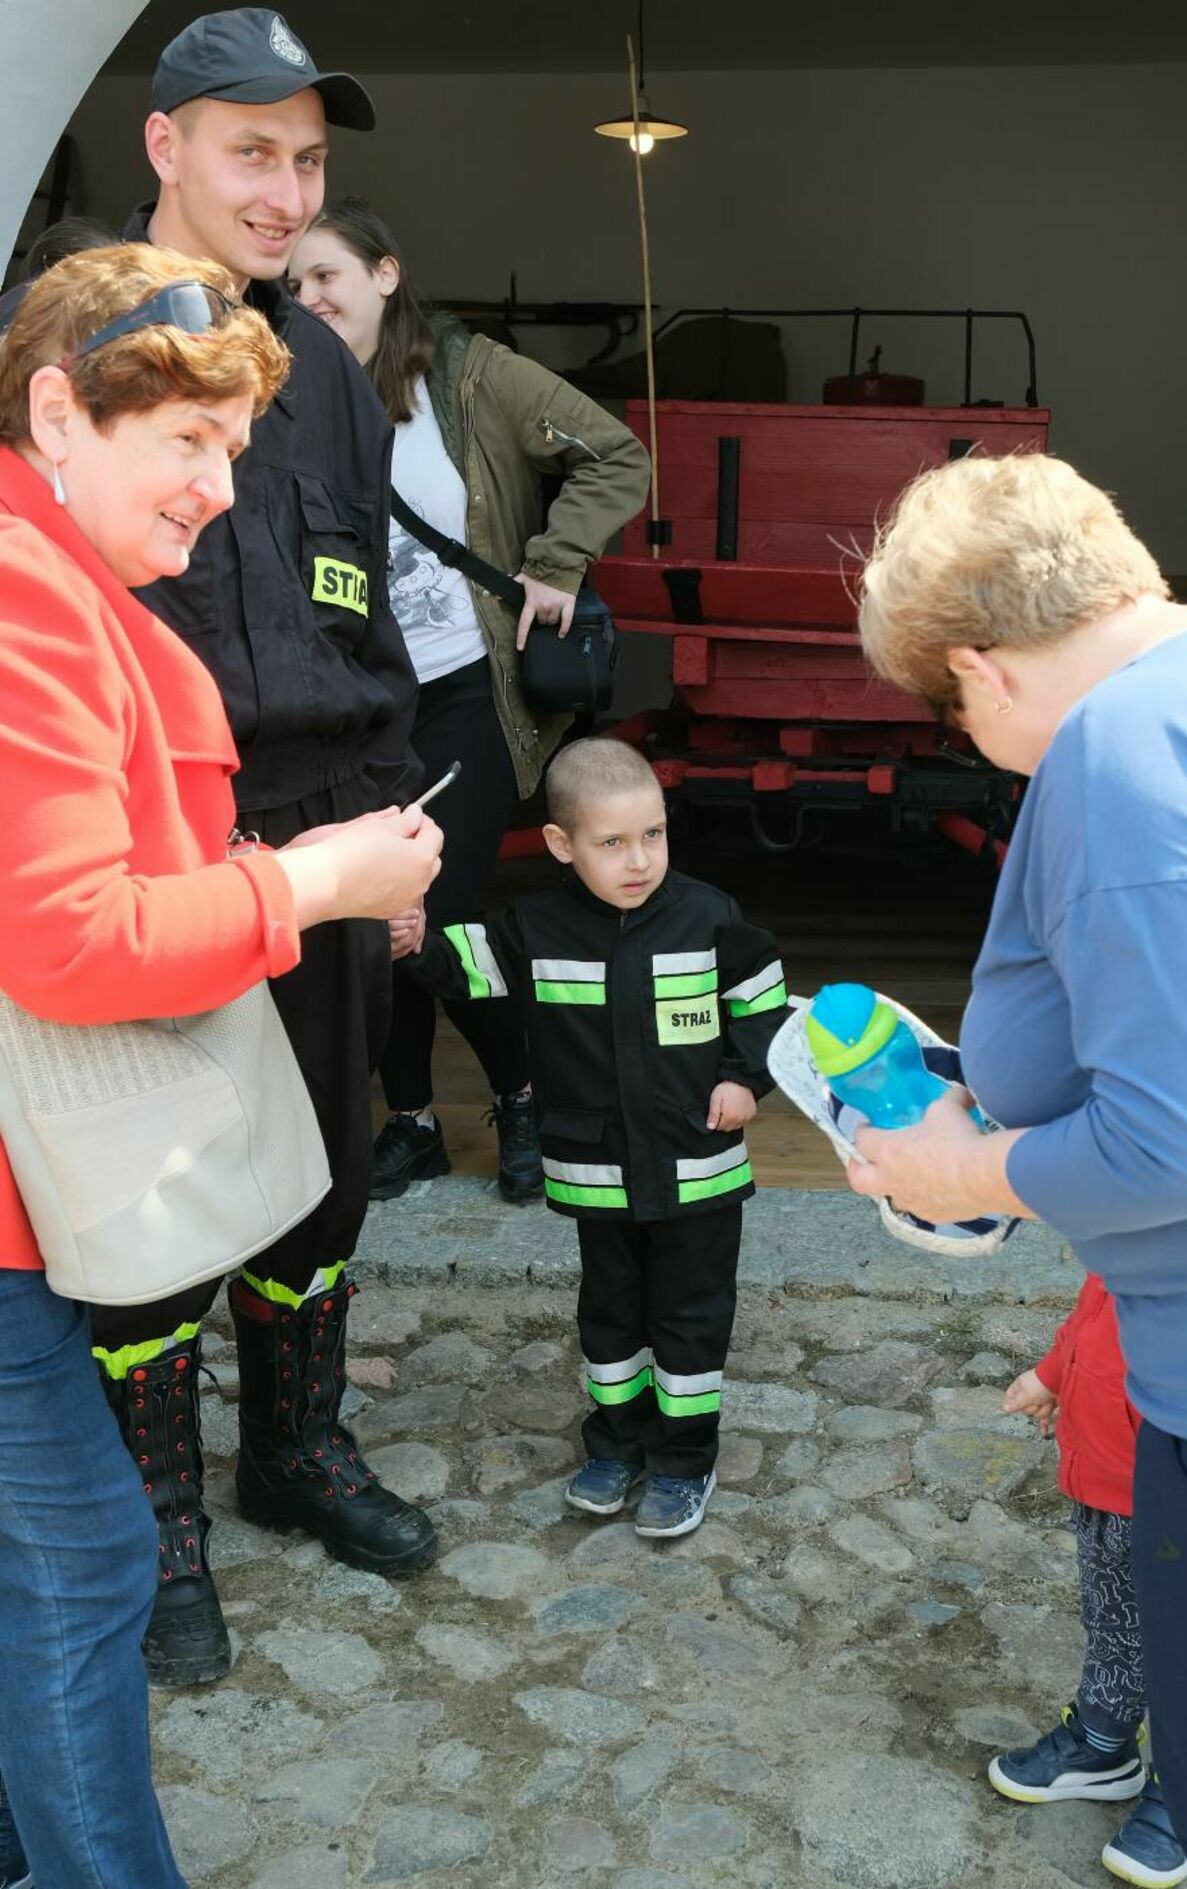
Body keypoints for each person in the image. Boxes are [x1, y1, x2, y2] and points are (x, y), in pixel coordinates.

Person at [0, 243, 442, 1889]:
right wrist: (317, 881)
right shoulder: (26, 592)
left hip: (32, 1189)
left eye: (237, 449)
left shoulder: (74, 585)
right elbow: (70, 940)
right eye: (187, 441)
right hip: (9, 1210)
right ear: (58, 408)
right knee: (90, 1562)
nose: (220, 485)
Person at [851, 450, 1187, 1889]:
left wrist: (975, 1170)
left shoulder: (1128, 751)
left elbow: (1180, 1140)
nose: (969, 731)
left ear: (982, 664)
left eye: (949, 705)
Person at [98, 11, 437, 1689]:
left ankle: (296, 1453)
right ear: (164, 145)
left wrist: (395, 839)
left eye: (310, 159)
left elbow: (366, 623)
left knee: (322, 1176)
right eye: (254, 150)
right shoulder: (78, 352)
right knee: (155, 1202)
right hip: (154, 846)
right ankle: (159, 1527)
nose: (288, 188)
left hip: (325, 837)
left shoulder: (323, 384)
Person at [288, 197, 651, 1205]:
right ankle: (411, 1121)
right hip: (359, 708)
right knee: (370, 913)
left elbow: (616, 452)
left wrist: (556, 561)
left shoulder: (470, 376)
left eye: (328, 277)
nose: (309, 299)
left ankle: (523, 1092)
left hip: (466, 690)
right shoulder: (289, 398)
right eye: (295, 285)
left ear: (385, 276)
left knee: (434, 918)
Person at [406, 738, 788, 1537]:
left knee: (689, 1317)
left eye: (652, 834)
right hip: (597, 1172)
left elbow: (764, 1004)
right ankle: (615, 1445)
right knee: (610, 1319)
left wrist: (742, 1078)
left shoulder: (710, 916)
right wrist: (412, 940)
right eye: (612, 843)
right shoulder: (536, 927)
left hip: (697, 1169)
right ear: (560, 845)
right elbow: (465, 964)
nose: (638, 858)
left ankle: (685, 1460)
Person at [992, 1275, 1187, 1887]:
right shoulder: (1132, 1212)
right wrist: (1056, 1373)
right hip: (1106, 1469)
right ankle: (1105, 1737)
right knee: (1114, 1614)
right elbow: (1098, 1304)